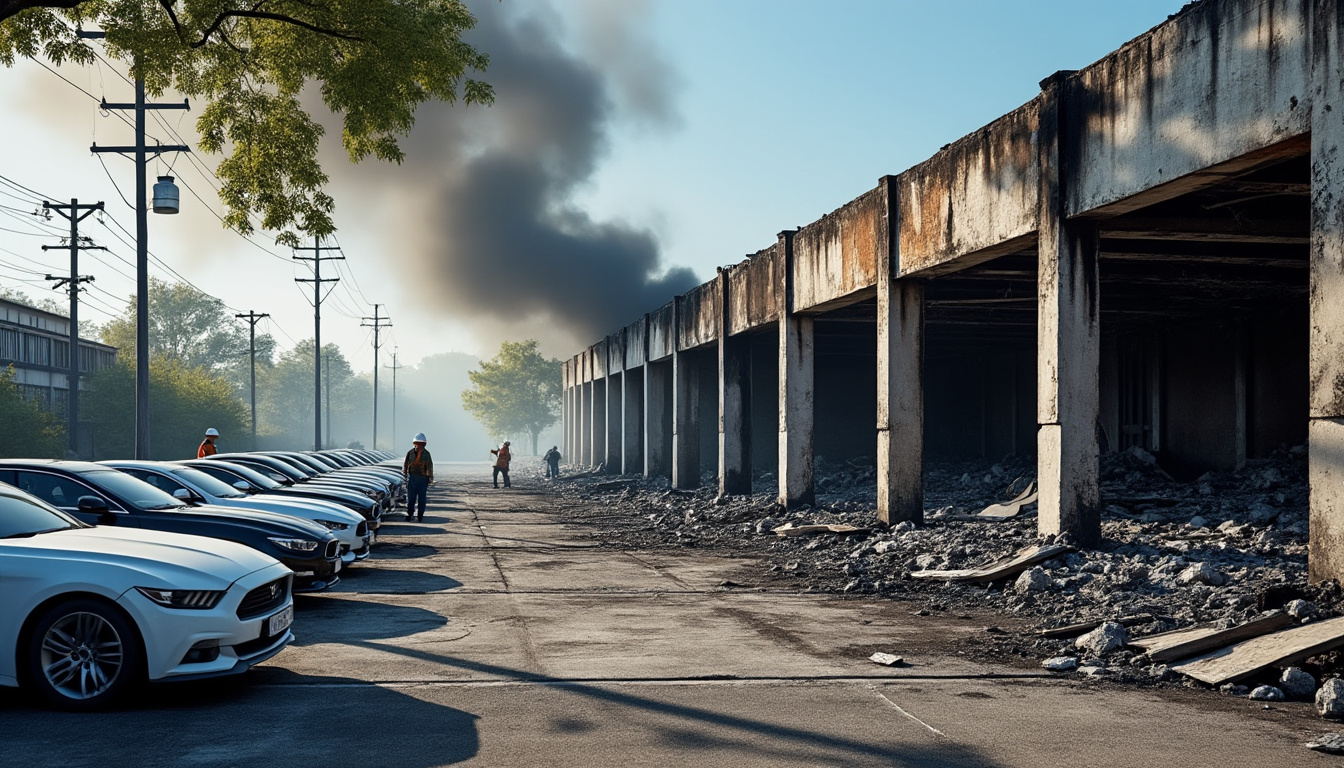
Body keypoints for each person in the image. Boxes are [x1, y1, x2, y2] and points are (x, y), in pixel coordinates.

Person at [402, 432, 434, 522]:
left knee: (422, 499)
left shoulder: (426, 454)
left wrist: (430, 477)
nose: (418, 446)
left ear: (424, 444)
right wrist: (405, 475)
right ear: (414, 444)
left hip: (422, 479)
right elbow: (406, 464)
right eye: (417, 443)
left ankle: (420, 516)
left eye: (421, 444)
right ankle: (410, 514)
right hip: (412, 478)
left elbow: (429, 466)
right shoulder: (410, 453)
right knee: (411, 498)